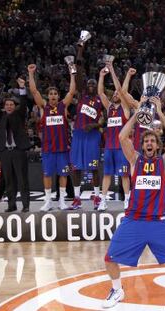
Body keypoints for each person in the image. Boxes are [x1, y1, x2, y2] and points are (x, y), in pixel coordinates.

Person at [102, 96, 165, 308]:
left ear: (157, 144)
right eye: (146, 141)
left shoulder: (163, 163)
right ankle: (117, 291)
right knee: (109, 258)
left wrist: (160, 113)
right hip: (134, 220)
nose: (149, 143)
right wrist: (138, 112)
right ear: (142, 145)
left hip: (159, 221)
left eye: (153, 140)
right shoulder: (135, 161)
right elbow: (121, 136)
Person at [28, 63, 75, 211]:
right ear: (47, 97)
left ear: (58, 96)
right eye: (51, 94)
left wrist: (72, 73)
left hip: (62, 148)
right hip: (48, 148)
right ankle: (48, 201)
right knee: (47, 175)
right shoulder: (43, 107)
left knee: (63, 174)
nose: (53, 96)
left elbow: (72, 92)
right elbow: (34, 91)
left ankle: (62, 200)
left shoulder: (63, 106)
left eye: (55, 94)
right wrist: (30, 74)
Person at [70, 44, 104, 209]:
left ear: (97, 86)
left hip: (93, 135)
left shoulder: (101, 99)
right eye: (88, 83)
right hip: (78, 134)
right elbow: (79, 71)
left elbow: (105, 120)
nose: (90, 85)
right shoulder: (81, 94)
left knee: (94, 167)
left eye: (93, 83)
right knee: (76, 167)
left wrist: (95, 124)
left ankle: (97, 196)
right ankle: (76, 198)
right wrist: (81, 49)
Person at [97, 63, 133, 211]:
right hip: (109, 147)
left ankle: (127, 200)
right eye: (115, 94)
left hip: (122, 148)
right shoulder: (110, 108)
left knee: (124, 175)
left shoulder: (125, 109)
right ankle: (103, 201)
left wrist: (112, 70)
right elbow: (101, 93)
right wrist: (101, 76)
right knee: (106, 175)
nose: (116, 94)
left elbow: (120, 89)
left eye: (118, 94)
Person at [0, 77, 31, 212]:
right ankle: (11, 205)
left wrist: (22, 88)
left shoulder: (19, 115)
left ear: (15, 107)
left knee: (22, 179)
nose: (9, 106)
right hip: (5, 152)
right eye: (7, 105)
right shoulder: (1, 116)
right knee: (9, 181)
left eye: (11, 105)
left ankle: (25, 205)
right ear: (4, 107)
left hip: (18, 151)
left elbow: (24, 103)